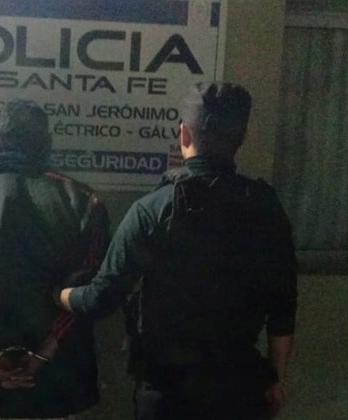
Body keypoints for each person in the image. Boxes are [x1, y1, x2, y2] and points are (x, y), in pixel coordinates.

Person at [58, 82, 298, 420]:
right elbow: (283, 306)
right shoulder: (266, 207)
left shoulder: (153, 209)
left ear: (184, 134)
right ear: (242, 138)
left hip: (168, 396)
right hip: (240, 390)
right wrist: (275, 378)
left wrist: (61, 294)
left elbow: (102, 298)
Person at [0, 100, 110, 419]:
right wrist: (44, 352)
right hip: (60, 381)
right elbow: (91, 288)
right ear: (48, 144)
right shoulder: (85, 201)